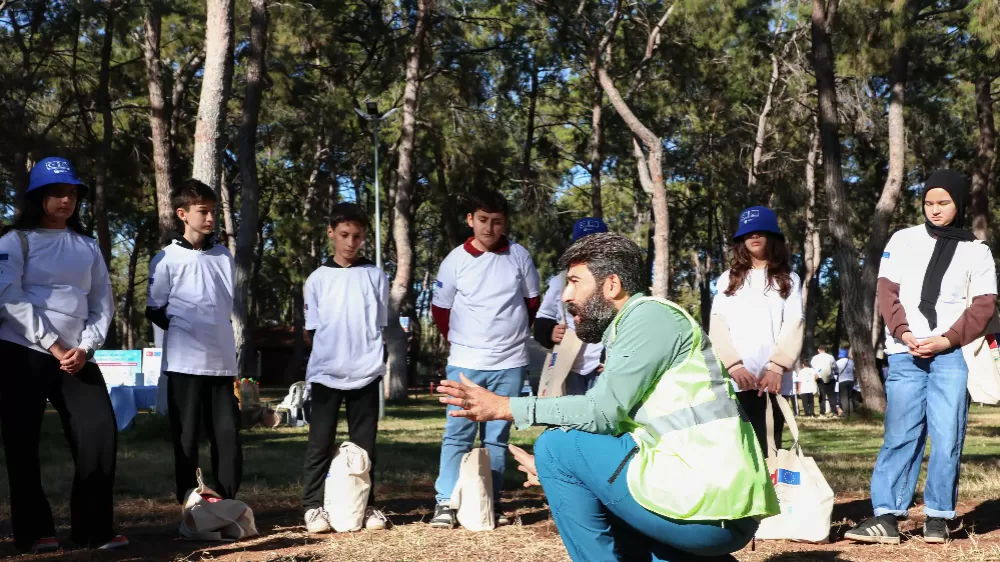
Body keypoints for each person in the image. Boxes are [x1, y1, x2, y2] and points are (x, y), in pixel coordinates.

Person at [437, 233, 777, 560]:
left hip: (709, 505)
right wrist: (565, 472)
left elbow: (601, 413)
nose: (566, 296)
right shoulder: (635, 326)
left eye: (574, 281)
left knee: (556, 446)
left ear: (611, 284)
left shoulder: (649, 317)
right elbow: (616, 427)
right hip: (710, 503)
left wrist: (504, 406)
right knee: (568, 453)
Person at [846, 169, 997, 545]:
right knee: (900, 435)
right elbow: (887, 292)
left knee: (947, 436)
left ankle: (938, 517)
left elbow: (984, 305)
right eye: (929, 202)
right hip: (905, 352)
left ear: (958, 204)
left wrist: (946, 339)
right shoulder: (903, 240)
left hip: (952, 355)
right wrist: (905, 333)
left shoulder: (976, 251)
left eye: (943, 202)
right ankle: (887, 516)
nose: (934, 209)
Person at [0, 157, 126, 551]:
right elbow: (9, 298)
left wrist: (85, 347)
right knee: (22, 441)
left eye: (72, 194)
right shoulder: (13, 241)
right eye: (57, 193)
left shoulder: (86, 245)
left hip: (77, 357)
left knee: (99, 434)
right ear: (38, 197)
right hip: (23, 352)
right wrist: (53, 344)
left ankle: (95, 530)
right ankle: (35, 532)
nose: (66, 201)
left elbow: (101, 302)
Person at [429, 190, 541, 529]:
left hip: (509, 363)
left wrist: (507, 341)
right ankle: (445, 502)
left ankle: (488, 501)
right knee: (458, 434)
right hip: (465, 363)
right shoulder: (454, 261)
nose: (489, 229)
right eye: (482, 221)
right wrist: (465, 344)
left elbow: (531, 303)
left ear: (504, 223)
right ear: (470, 221)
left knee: (496, 438)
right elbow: (440, 309)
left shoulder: (520, 256)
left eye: (496, 222)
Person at [146, 179, 242, 508]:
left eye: (214, 211)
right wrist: (186, 330)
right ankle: (190, 503)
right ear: (183, 214)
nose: (211, 218)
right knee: (186, 438)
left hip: (222, 362)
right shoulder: (165, 259)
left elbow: (224, 306)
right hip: (183, 364)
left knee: (227, 436)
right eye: (203, 212)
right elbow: (155, 309)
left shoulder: (224, 257)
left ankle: (230, 502)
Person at [301, 203, 390, 533]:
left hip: (366, 373)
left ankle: (367, 507)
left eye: (357, 236)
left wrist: (369, 359)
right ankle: (312, 506)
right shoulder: (317, 279)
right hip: (326, 374)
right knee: (320, 443)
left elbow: (378, 324)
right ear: (331, 233)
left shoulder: (376, 275)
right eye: (344, 235)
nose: (351, 242)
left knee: (365, 447)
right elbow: (312, 329)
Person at [710, 205, 803, 452]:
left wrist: (776, 368)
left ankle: (771, 492)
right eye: (748, 233)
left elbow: (794, 324)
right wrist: (733, 365)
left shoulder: (789, 279)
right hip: (736, 380)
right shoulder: (728, 279)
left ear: (772, 237)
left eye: (760, 231)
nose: (753, 236)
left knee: (768, 449)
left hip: (772, 382)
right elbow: (718, 326)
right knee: (736, 452)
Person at [534, 217, 609, 395]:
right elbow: (543, 316)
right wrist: (548, 332)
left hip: (601, 366)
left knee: (603, 419)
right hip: (569, 365)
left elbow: (628, 322)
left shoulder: (615, 281)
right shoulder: (560, 281)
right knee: (572, 418)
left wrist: (617, 359)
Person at [810, 345, 838, 416]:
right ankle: (834, 412)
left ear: (818, 350)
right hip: (830, 378)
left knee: (822, 395)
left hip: (820, 379)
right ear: (826, 350)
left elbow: (813, 367)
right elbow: (835, 367)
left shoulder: (815, 358)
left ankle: (822, 412)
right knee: (831, 396)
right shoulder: (830, 357)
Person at [835, 348, 856, 416]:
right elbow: (854, 371)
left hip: (842, 380)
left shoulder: (838, 362)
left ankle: (846, 413)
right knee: (850, 397)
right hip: (851, 380)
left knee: (844, 397)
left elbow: (835, 372)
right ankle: (852, 412)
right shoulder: (851, 362)